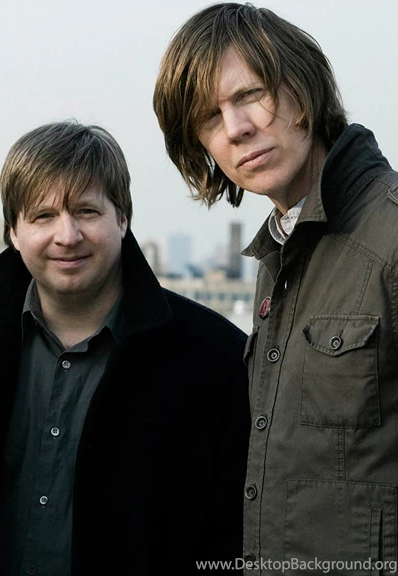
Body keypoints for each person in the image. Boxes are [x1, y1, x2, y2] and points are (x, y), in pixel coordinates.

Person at [153, 3, 398, 571]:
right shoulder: (279, 256)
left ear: (303, 89)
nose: (236, 128)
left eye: (250, 95)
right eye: (209, 118)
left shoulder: (390, 234)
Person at [0, 121, 250, 575]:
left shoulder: (216, 359)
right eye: (43, 216)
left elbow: (233, 533)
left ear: (123, 219)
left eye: (87, 212)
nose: (67, 235)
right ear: (13, 231)